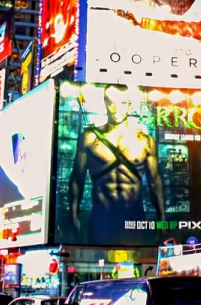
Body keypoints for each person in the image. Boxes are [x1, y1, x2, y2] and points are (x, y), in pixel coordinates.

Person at [66, 87, 164, 243]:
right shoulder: (89, 138)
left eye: (123, 103)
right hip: (102, 218)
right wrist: (73, 215)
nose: (117, 109)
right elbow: (77, 179)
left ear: (130, 104)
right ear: (105, 103)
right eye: (112, 103)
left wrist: (162, 220)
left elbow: (155, 182)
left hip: (135, 217)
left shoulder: (145, 141)